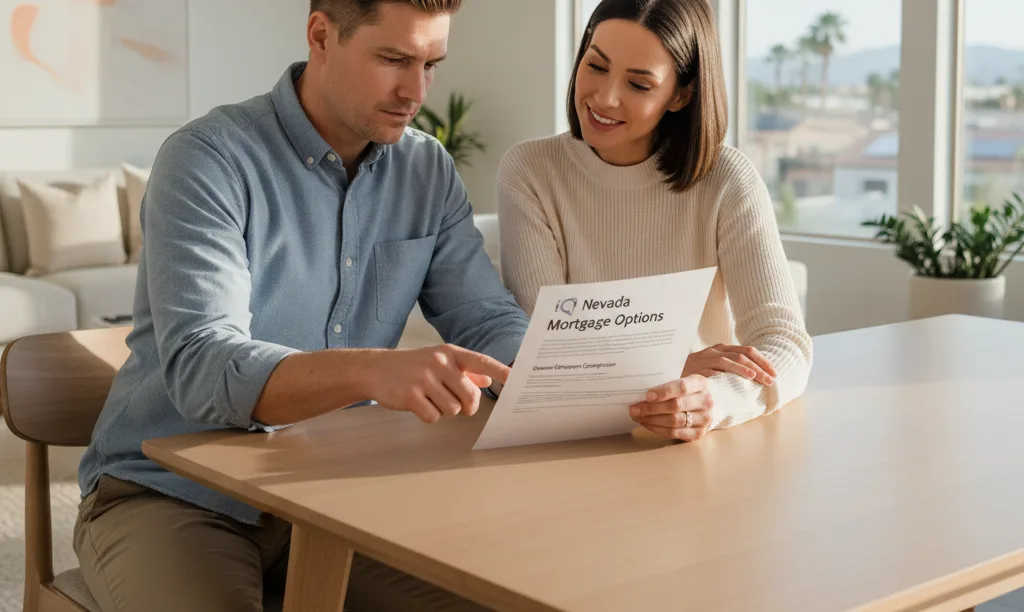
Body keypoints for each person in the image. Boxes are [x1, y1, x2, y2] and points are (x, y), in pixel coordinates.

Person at [74, 1, 526, 610]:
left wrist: (586, 370)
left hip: (333, 492)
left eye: (431, 64)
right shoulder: (209, 159)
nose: (415, 90)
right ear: (321, 35)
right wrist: (368, 370)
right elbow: (204, 364)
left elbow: (486, 318)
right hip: (170, 492)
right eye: (393, 59)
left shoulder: (426, 170)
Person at [496, 0, 813, 443]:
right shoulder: (531, 171)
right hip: (574, 446)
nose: (605, 98)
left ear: (681, 95)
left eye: (639, 84)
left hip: (695, 450)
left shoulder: (726, 179)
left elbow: (785, 344)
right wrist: (674, 366)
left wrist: (713, 399)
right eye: (596, 66)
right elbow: (546, 354)